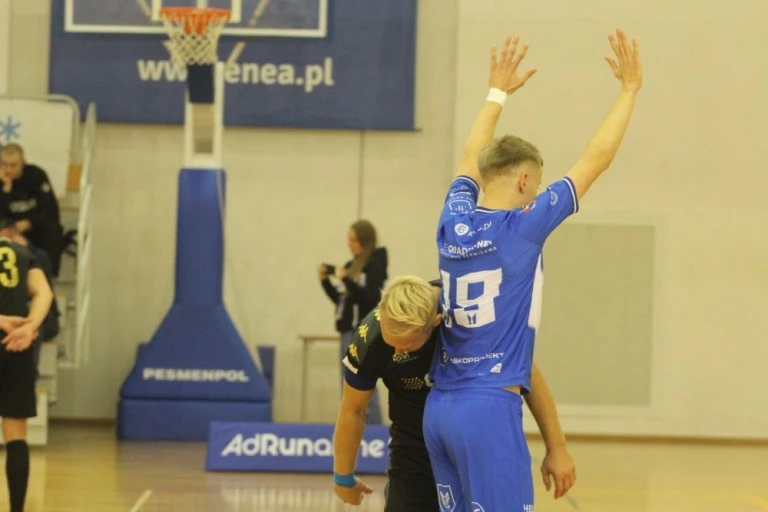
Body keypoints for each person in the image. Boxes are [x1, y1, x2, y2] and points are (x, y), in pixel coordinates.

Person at [425, 29, 643, 511]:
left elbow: (468, 158)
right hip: (488, 406)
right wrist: (629, 90)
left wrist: (496, 93)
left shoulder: (453, 217)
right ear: (525, 180)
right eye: (537, 183)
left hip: (439, 409)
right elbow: (596, 159)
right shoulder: (522, 226)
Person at [332, 276, 576, 511]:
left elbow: (527, 373)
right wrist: (343, 477)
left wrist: (557, 449)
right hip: (413, 447)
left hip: (470, 439)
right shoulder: (368, 339)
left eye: (405, 347)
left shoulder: (471, 319)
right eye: (390, 342)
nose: (396, 353)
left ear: (435, 323)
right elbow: (353, 409)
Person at [0, 234, 54, 512]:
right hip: (16, 344)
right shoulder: (21, 253)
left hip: (7, 331)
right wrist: (29, 326)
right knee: (16, 433)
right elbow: (44, 292)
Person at [320, 219, 387, 424]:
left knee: (364, 380)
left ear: (364, 242)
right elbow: (342, 301)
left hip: (363, 331)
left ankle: (374, 428)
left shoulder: (374, 264)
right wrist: (325, 282)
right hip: (347, 330)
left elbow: (371, 297)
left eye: (353, 240)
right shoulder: (351, 266)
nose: (349, 244)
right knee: (349, 383)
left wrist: (346, 279)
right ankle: (353, 426)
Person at [0, 219, 60, 371]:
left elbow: (43, 293)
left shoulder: (33, 255)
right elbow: (44, 292)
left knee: (29, 328)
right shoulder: (29, 254)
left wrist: (29, 325)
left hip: (23, 317)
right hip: (18, 320)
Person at [0, 144, 64, 277]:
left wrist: (28, 223)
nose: (8, 170)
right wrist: (6, 190)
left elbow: (51, 210)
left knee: (53, 229)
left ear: (23, 163)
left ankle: (49, 276)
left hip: (35, 226)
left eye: (13, 165)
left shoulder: (36, 175)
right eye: (4, 164)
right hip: (8, 229)